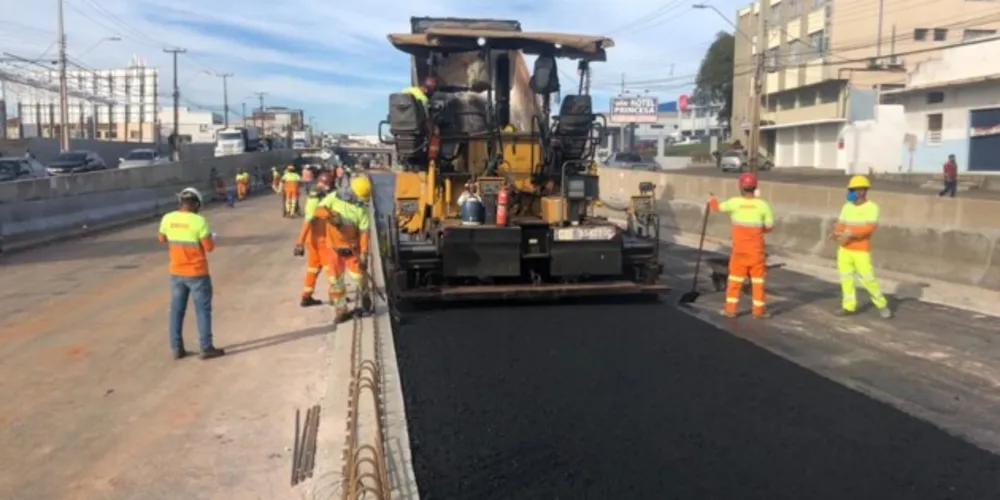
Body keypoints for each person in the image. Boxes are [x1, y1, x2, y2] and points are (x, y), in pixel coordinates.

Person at [157, 187, 225, 360]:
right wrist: (211, 237)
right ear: (195, 204)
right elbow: (209, 247)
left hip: (176, 272)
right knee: (202, 311)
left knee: (177, 310)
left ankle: (177, 348)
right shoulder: (199, 221)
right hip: (197, 273)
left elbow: (161, 238)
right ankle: (206, 347)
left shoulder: (168, 218)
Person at [708, 172, 774, 319]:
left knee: (735, 281)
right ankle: (758, 311)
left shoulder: (735, 202)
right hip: (756, 251)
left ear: (741, 187)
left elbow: (717, 207)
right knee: (758, 282)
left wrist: (712, 199)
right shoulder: (763, 205)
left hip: (740, 251)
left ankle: (730, 310)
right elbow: (769, 226)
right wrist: (757, 231)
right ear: (755, 186)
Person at [829, 175, 892, 319]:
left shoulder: (872, 208)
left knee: (868, 279)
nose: (852, 192)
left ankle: (881, 304)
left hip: (860, 250)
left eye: (855, 190)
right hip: (845, 249)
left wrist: (850, 233)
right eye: (851, 189)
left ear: (863, 191)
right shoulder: (847, 207)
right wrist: (835, 233)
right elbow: (841, 224)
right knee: (846, 278)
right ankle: (848, 306)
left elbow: (868, 229)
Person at [317, 175, 372, 323]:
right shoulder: (333, 198)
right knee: (336, 282)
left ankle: (365, 294)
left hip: (352, 250)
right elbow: (319, 210)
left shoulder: (361, 211)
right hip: (334, 249)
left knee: (359, 276)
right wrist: (331, 216)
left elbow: (364, 233)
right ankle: (341, 310)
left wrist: (364, 255)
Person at [294, 172, 334, 307]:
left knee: (313, 268)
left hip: (312, 241)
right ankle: (335, 296)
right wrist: (299, 242)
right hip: (322, 240)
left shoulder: (313, 199)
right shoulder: (317, 203)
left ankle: (306, 296)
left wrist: (301, 242)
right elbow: (308, 221)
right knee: (331, 268)